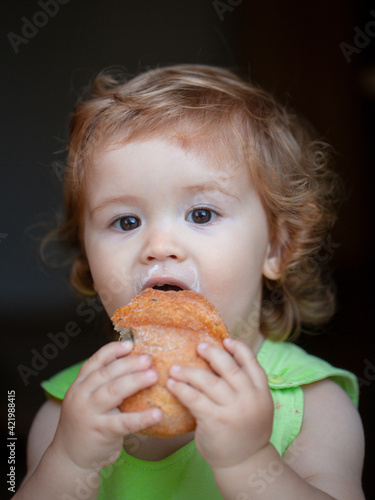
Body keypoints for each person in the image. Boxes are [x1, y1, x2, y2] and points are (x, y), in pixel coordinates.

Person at [14, 65, 365, 499]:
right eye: (126, 221)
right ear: (88, 261)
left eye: (201, 214)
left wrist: (249, 461)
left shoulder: (313, 404)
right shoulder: (66, 413)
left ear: (276, 247)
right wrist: (69, 462)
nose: (159, 245)